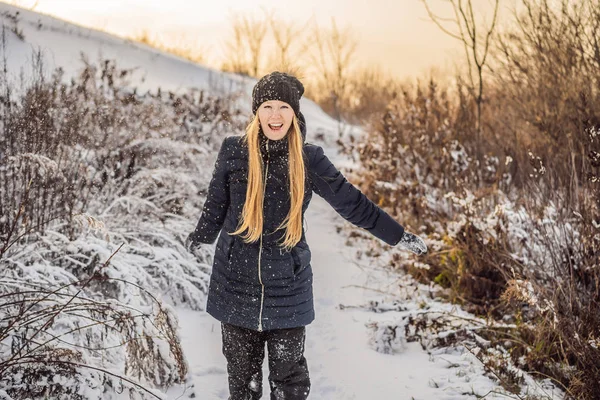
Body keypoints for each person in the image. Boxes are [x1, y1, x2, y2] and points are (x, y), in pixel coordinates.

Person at [185, 71, 427, 400]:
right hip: (235, 289)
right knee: (243, 387)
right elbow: (215, 207)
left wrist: (398, 236)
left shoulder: (309, 159)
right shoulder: (234, 151)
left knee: (289, 385)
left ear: (295, 112)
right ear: (256, 111)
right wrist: (196, 241)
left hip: (288, 290)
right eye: (267, 106)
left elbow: (353, 204)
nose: (274, 115)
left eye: (283, 106)